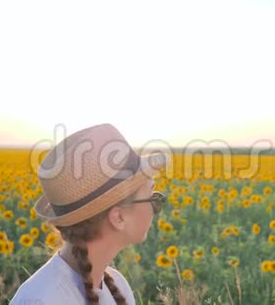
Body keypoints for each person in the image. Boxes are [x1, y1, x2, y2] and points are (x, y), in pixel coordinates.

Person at [10, 123, 170, 305]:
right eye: (152, 197)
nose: (156, 206)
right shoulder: (41, 299)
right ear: (118, 217)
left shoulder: (117, 285)